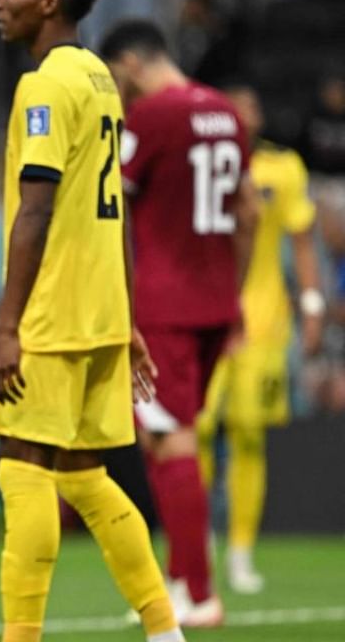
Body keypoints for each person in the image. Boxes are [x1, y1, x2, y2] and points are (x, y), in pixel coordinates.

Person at [0, 0, 185, 642]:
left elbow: (36, 208)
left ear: (46, 2)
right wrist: (126, 316)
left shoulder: (44, 84)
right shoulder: (100, 77)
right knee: (86, 474)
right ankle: (165, 628)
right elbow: (119, 207)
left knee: (23, 466)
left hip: (54, 312)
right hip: (100, 313)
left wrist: (7, 326)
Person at [100, 19, 259, 627]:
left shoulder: (154, 117)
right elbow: (248, 212)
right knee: (177, 434)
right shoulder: (227, 112)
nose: (119, 92)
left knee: (171, 441)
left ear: (133, 63)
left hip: (164, 304)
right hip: (218, 301)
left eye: (118, 78)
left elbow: (112, 201)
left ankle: (196, 589)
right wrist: (235, 293)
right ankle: (177, 577)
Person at [197, 81, 324, 595]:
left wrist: (312, 306)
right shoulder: (199, 160)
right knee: (198, 432)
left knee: (249, 434)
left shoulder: (282, 167)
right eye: (236, 106)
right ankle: (196, 547)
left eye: (252, 107)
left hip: (265, 322)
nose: (246, 115)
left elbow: (303, 240)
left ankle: (242, 552)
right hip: (203, 315)